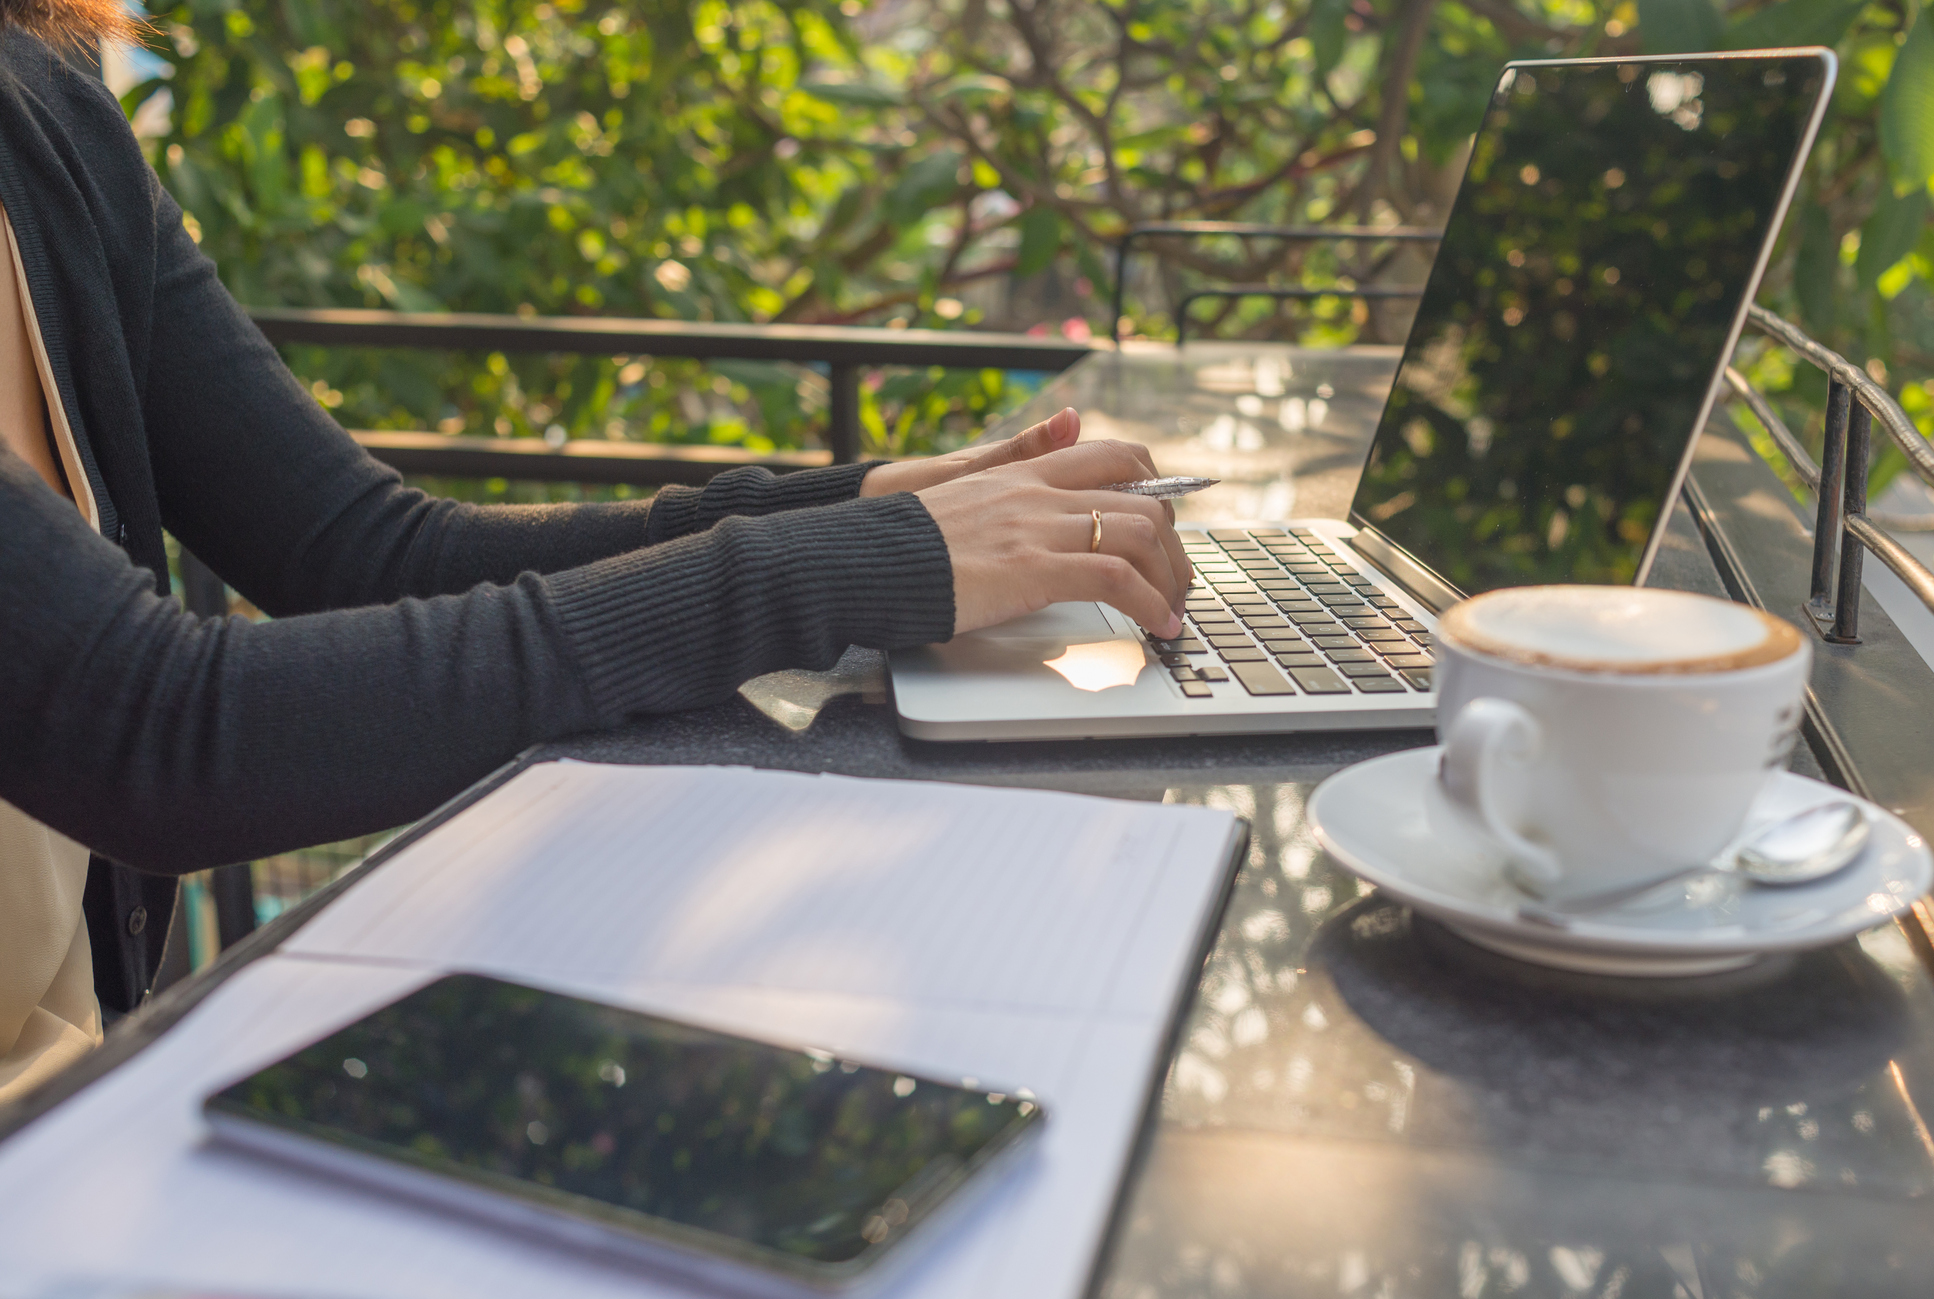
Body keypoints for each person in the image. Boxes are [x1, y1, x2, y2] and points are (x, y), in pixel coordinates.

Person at [0, 7, 1192, 1102]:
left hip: (73, 1089)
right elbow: (155, 730)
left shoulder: (43, 102)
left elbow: (363, 549)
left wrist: (861, 505)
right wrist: (833, 569)